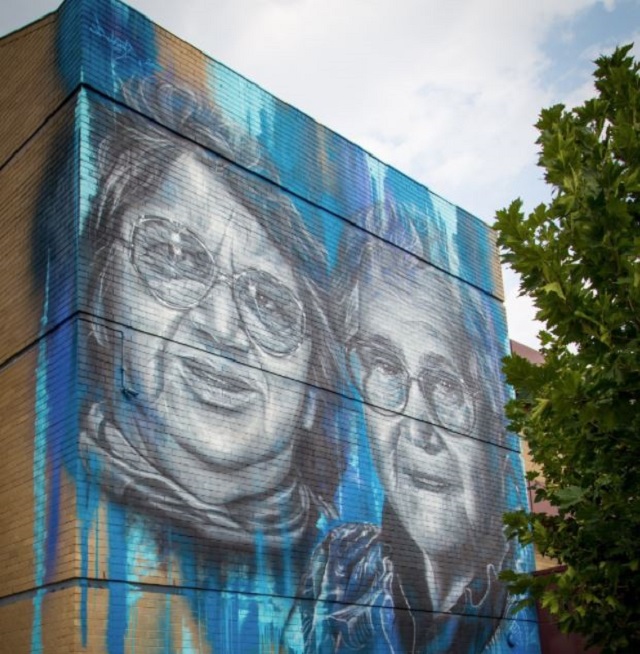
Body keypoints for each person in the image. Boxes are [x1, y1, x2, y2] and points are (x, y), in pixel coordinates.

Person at [77, 75, 342, 648]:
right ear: (101, 302)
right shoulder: (61, 528)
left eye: (268, 300)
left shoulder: (355, 588)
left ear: (314, 390)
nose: (222, 328)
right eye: (173, 256)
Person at [299, 200, 514, 653]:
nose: (417, 427)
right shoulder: (338, 574)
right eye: (385, 367)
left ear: (497, 420)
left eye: (448, 386)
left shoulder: (522, 609)